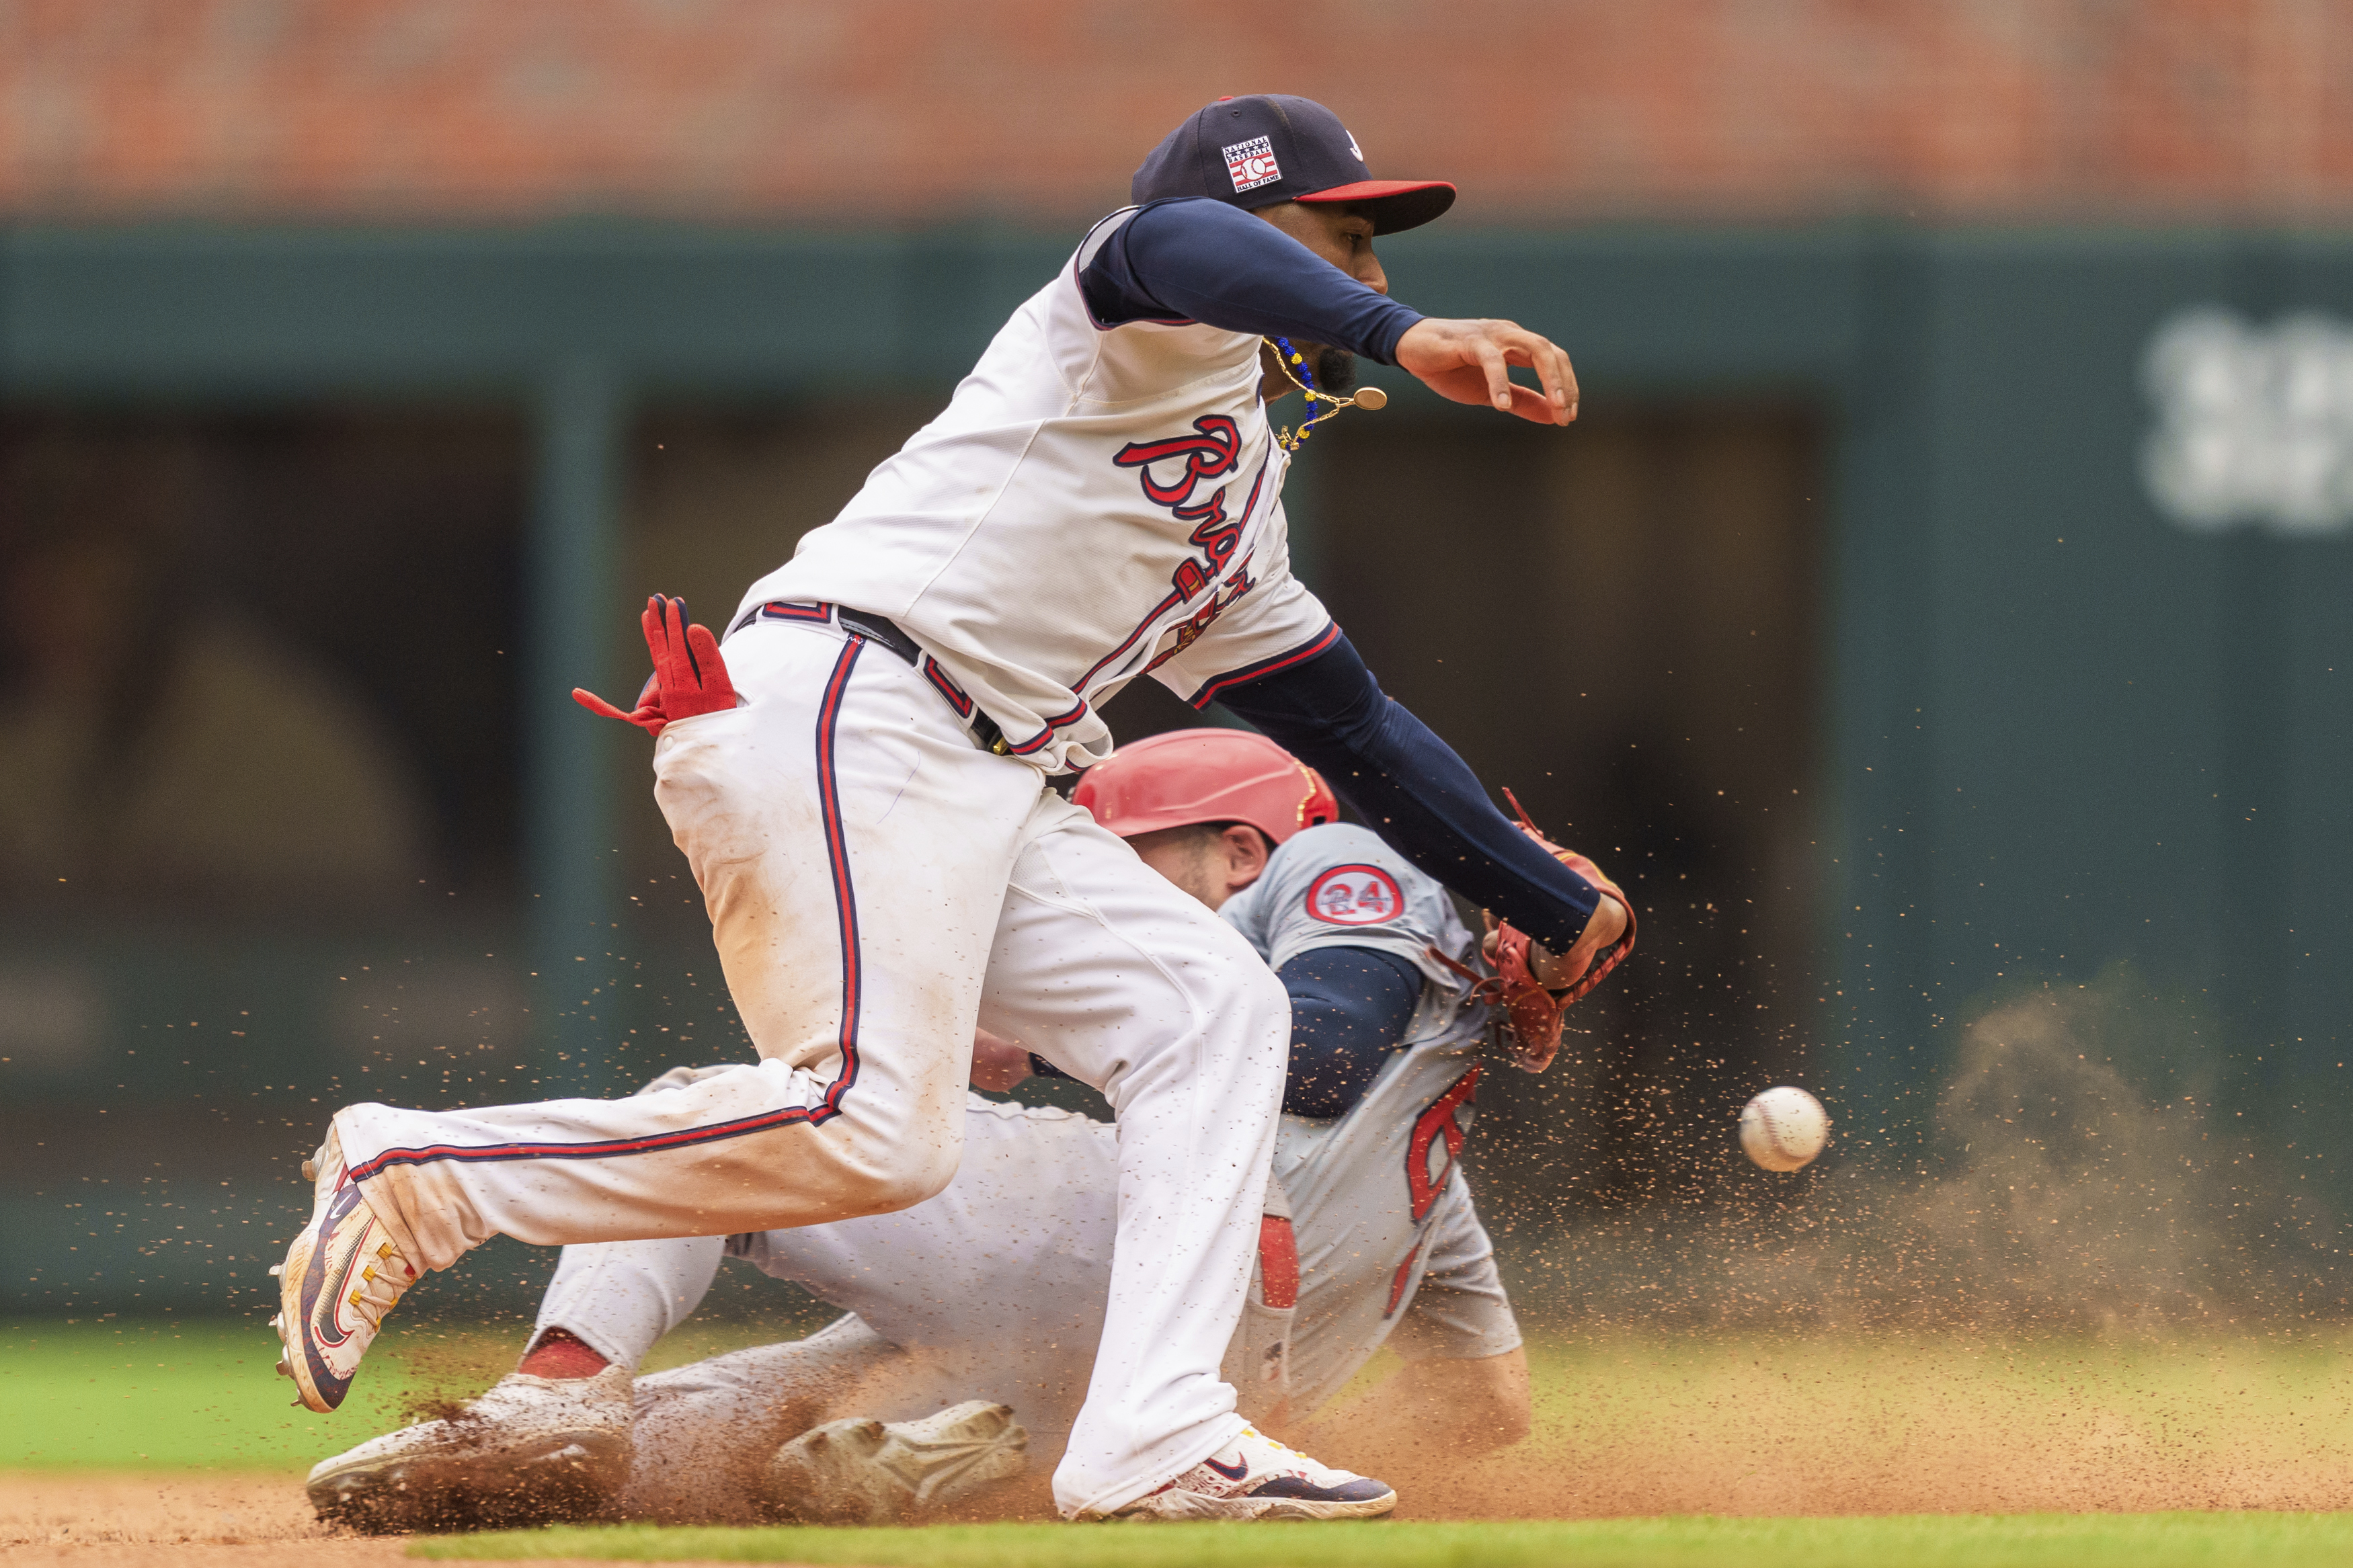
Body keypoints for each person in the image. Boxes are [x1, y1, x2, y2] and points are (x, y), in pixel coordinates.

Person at [272, 93, 1629, 1523]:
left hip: (981, 770)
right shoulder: (1128, 322)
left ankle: (1155, 1435)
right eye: (1344, 237)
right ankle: (418, 1169)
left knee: (1212, 1011)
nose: (1372, 273)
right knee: (874, 1130)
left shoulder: (1240, 514)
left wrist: (1553, 906)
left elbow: (1350, 727)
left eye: (1379, 255)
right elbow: (1173, 240)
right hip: (857, 701)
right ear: (1248, 234)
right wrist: (1402, 338)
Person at [307, 731, 1616, 1530]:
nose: (1094, 895)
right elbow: (1489, 1407)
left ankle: (552, 1398)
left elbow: (1317, 1051)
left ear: (1236, 849)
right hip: (1183, 1376)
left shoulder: (1351, 866)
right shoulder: (1432, 1177)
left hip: (1131, 1252)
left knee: (719, 1128)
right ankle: (905, 1446)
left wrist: (1046, 1030)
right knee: (750, 1439)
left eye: (1127, 859)